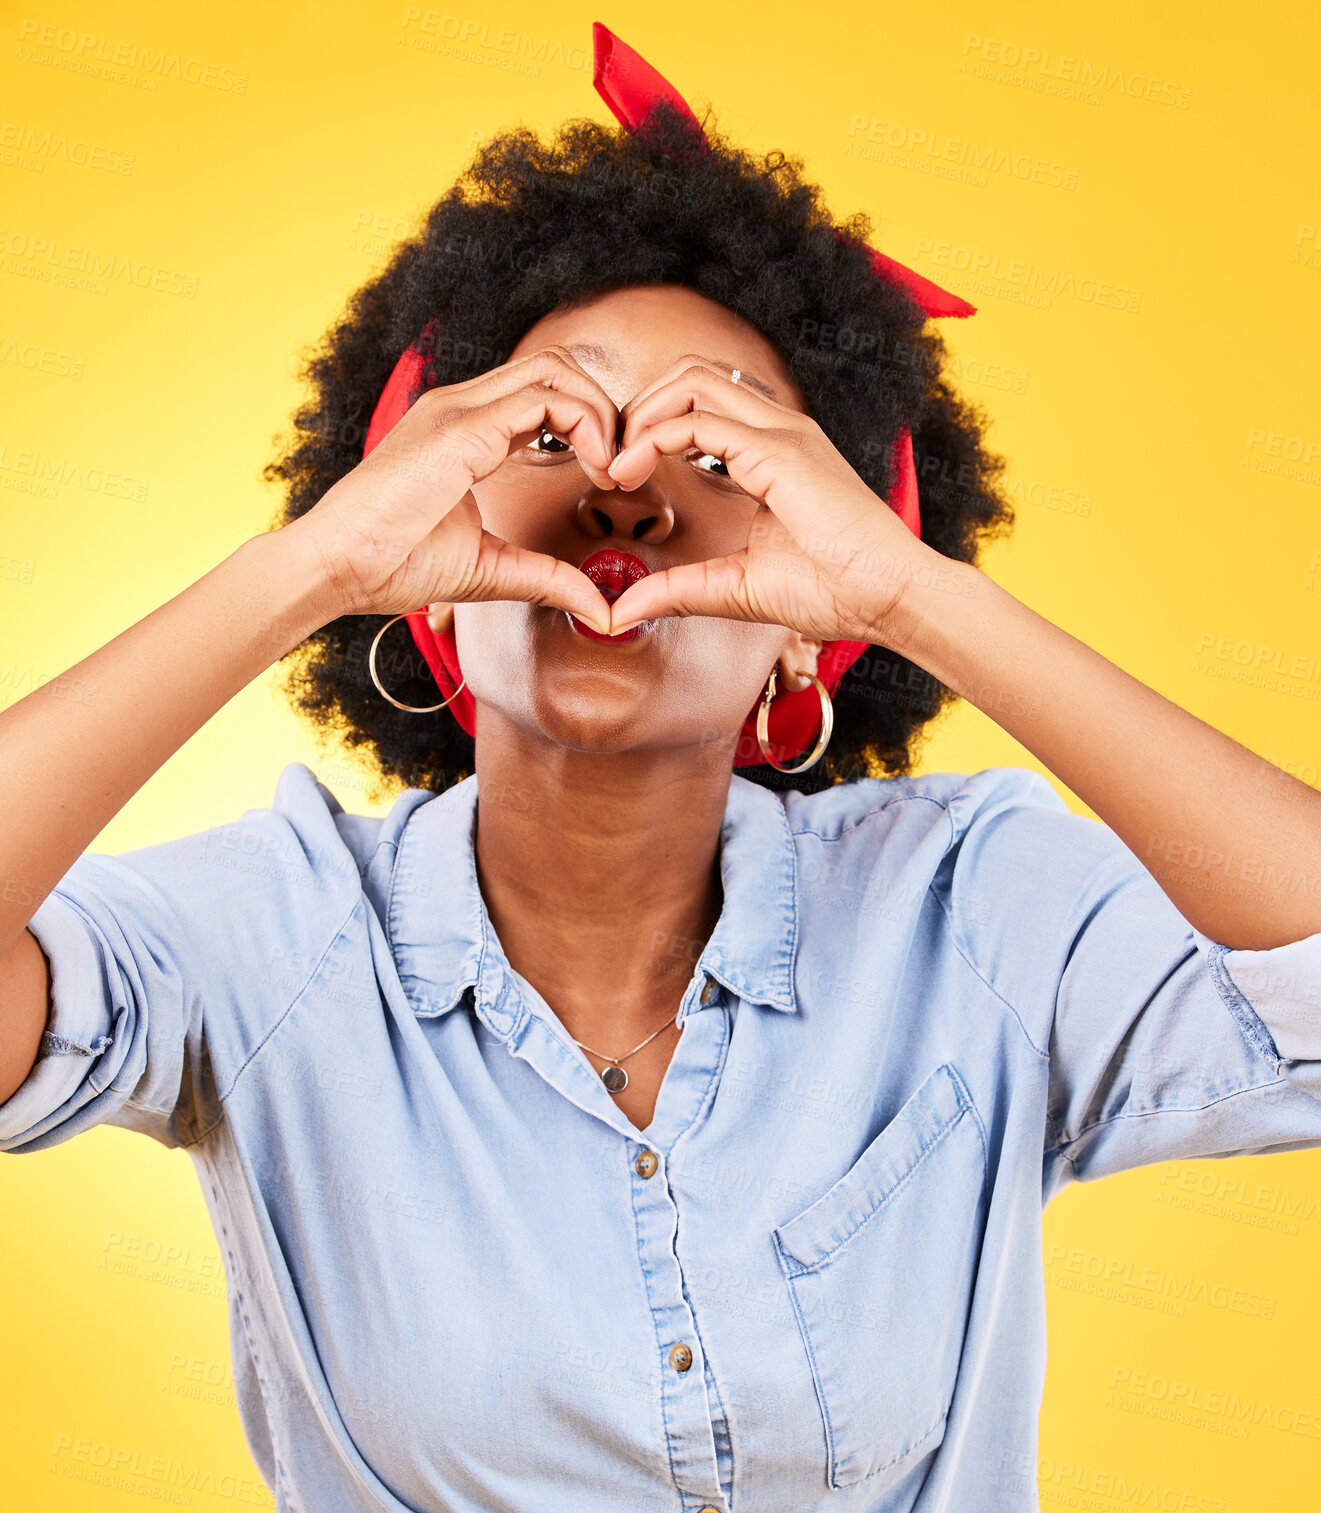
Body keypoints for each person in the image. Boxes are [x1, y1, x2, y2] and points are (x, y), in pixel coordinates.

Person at [3, 26, 1320, 1513]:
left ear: (801, 643)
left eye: (724, 456)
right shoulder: (277, 937)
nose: (623, 493)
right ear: (426, 581)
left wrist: (912, 597)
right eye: (547, 427)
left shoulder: (974, 906)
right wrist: (309, 570)